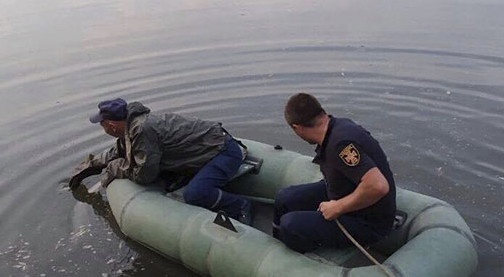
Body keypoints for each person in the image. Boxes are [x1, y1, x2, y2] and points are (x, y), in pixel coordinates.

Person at [69, 98, 251, 224]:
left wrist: (115, 168)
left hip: (221, 151)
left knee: (195, 194)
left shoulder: (142, 131)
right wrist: (87, 168)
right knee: (172, 181)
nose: (104, 130)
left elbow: (144, 175)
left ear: (111, 125)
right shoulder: (132, 128)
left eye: (103, 126)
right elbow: (117, 153)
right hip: (204, 150)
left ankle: (240, 205)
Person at [274, 93, 396, 253]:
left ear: (297, 128)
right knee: (285, 197)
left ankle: (306, 258)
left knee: (290, 225)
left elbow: (378, 186)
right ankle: (275, 242)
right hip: (349, 192)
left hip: (368, 222)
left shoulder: (340, 144)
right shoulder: (337, 126)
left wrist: (338, 207)